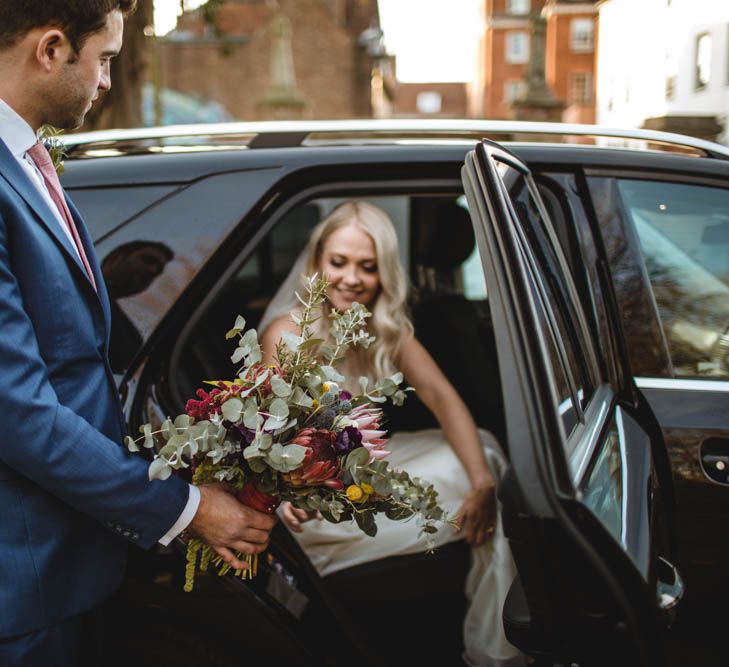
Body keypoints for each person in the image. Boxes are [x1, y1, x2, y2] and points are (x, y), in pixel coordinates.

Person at [0, 3, 276, 665]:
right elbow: (18, 412)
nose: (105, 83)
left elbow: (71, 350)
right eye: (105, 60)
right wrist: (185, 508)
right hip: (23, 588)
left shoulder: (29, 162)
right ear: (52, 49)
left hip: (73, 570)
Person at [260, 201, 524, 666]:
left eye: (368, 267)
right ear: (317, 262)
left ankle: (493, 636)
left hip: (366, 472)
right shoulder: (286, 334)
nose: (351, 279)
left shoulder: (385, 329)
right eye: (338, 262)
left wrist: (481, 483)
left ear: (384, 273)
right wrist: (283, 495)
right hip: (317, 502)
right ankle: (496, 651)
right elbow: (264, 434)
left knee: (485, 456)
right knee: (493, 493)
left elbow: (443, 397)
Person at [101, 240, 174, 373]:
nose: (152, 270)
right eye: (147, 260)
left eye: (158, 270)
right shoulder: (65, 283)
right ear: (115, 258)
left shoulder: (131, 341)